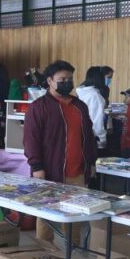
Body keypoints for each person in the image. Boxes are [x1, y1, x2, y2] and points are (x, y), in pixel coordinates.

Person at [23, 60, 98, 241]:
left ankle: (73, 255)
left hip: (77, 172)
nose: (67, 82)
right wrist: (37, 166)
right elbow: (31, 140)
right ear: (49, 81)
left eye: (70, 79)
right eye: (62, 79)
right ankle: (44, 254)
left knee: (74, 216)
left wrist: (92, 162)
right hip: (49, 171)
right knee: (45, 215)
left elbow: (88, 137)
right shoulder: (38, 107)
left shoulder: (80, 106)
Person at [75, 66, 108, 150]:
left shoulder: (81, 92)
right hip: (92, 136)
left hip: (79, 132)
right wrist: (102, 138)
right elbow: (97, 120)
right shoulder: (95, 96)